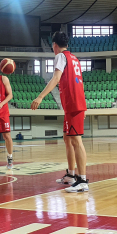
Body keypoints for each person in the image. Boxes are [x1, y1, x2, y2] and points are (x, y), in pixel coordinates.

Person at [32, 31, 88, 193]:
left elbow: (56, 78)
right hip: (75, 103)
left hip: (73, 103)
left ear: (54, 46)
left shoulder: (60, 57)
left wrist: (40, 96)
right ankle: (71, 175)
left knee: (76, 141)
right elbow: (80, 82)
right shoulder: (75, 58)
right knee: (67, 138)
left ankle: (82, 180)